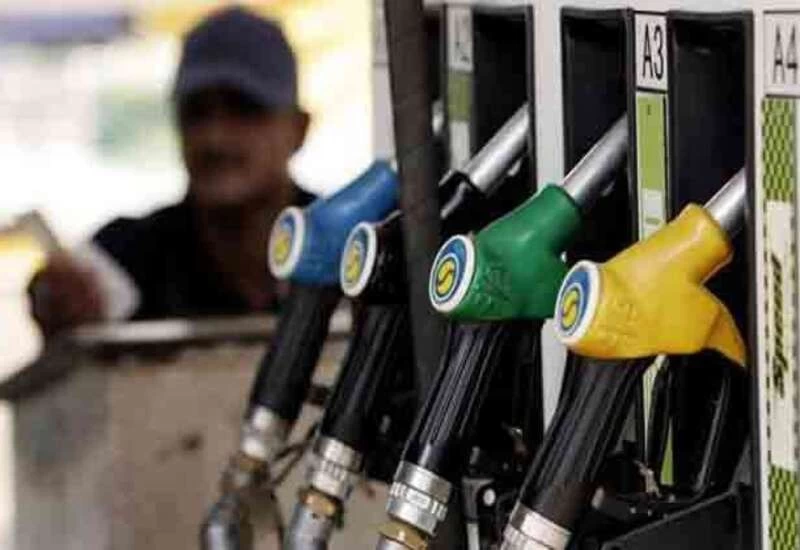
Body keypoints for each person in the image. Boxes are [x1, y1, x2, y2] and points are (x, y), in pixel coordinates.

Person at [30, 7, 313, 336]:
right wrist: (57, 300)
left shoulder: (345, 245)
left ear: (299, 128)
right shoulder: (125, 260)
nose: (215, 138)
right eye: (196, 112)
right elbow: (64, 298)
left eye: (245, 110)